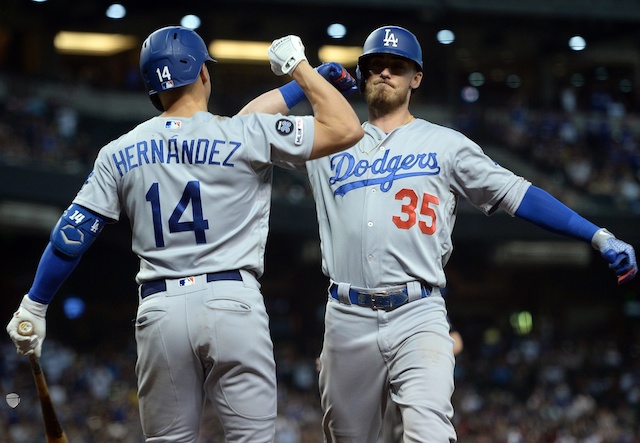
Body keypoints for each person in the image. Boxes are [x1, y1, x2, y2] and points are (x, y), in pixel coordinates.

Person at [240, 25, 637, 442]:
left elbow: (518, 193)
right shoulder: (329, 139)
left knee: (429, 434)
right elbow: (243, 128)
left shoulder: (445, 144)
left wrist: (598, 235)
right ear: (363, 75)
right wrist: (307, 83)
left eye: (397, 66)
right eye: (375, 66)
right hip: (346, 316)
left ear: (417, 78)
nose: (385, 73)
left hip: (418, 313)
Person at [5, 26, 363, 442]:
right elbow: (344, 128)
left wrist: (35, 304)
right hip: (233, 305)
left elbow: (72, 235)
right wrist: (305, 74)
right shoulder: (241, 134)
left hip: (161, 312)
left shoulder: (119, 150)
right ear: (203, 75)